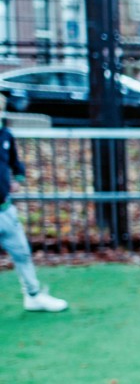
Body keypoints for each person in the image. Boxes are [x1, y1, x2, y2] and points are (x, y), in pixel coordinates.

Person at [0, 94, 68, 312]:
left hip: (4, 210)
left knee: (22, 252)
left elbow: (14, 162)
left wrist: (17, 178)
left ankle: (33, 296)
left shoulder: (5, 135)